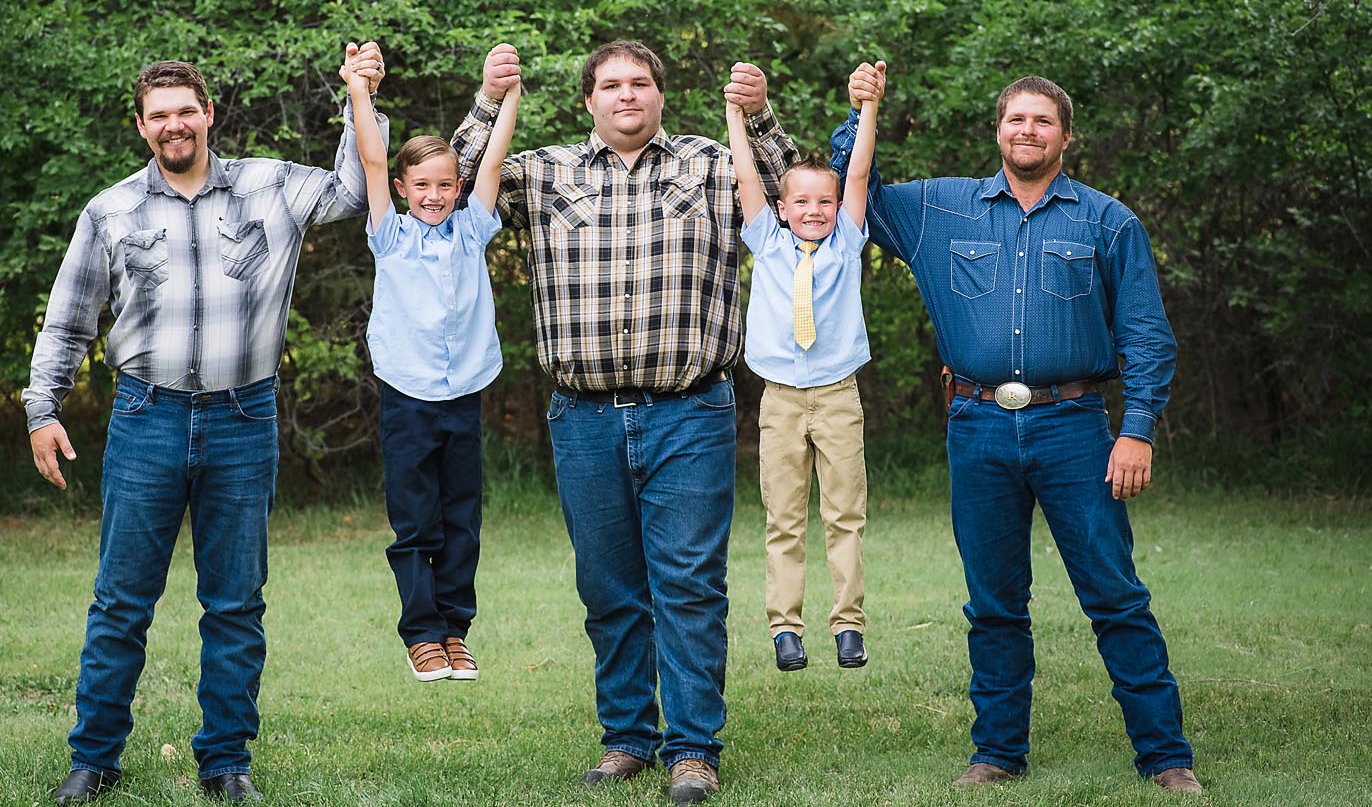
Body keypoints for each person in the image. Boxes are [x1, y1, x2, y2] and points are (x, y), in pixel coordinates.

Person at [23, 45, 387, 805]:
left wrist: (361, 93)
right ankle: (93, 760)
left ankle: (226, 762)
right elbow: (67, 323)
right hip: (144, 416)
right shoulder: (110, 210)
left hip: (243, 417)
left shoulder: (272, 185)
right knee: (121, 601)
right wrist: (43, 409)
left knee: (235, 601)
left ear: (209, 113)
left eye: (186, 109)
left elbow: (357, 190)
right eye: (159, 115)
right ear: (141, 126)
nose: (174, 124)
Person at [828, 67, 1202, 795]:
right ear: (996, 130)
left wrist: (1138, 430)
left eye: (1042, 121)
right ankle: (997, 752)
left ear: (1066, 136)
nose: (1026, 131)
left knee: (1115, 595)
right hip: (977, 428)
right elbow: (853, 192)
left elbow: (1149, 336)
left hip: (1077, 430)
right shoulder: (940, 209)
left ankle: (1165, 755)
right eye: (1014, 119)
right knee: (994, 602)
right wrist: (861, 111)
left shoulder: (1106, 220)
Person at [449, 40, 798, 804]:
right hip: (584, 417)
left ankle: (694, 748)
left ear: (661, 95)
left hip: (692, 412)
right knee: (609, 587)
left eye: (640, 82)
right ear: (588, 101)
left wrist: (759, 110)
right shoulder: (542, 172)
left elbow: (796, 190)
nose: (627, 94)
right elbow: (450, 185)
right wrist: (486, 98)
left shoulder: (710, 163)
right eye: (611, 84)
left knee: (690, 586)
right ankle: (628, 737)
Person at [344, 48, 519, 683]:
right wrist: (359, 91)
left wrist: (510, 95)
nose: (435, 195)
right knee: (416, 519)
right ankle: (421, 633)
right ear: (402, 190)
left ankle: (454, 629)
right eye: (422, 185)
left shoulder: (472, 230)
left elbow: (494, 158)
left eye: (446, 185)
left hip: (464, 390)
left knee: (462, 517)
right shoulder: (390, 234)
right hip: (408, 394)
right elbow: (369, 157)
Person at [727, 68, 884, 674]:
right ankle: (784, 628)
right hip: (781, 399)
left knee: (845, 514)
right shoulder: (766, 241)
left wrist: (867, 108)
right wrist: (737, 120)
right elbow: (746, 176)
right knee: (783, 517)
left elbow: (861, 173)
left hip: (838, 395)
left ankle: (848, 625)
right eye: (803, 202)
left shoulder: (846, 242)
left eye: (825, 200)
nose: (816, 210)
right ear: (784, 208)